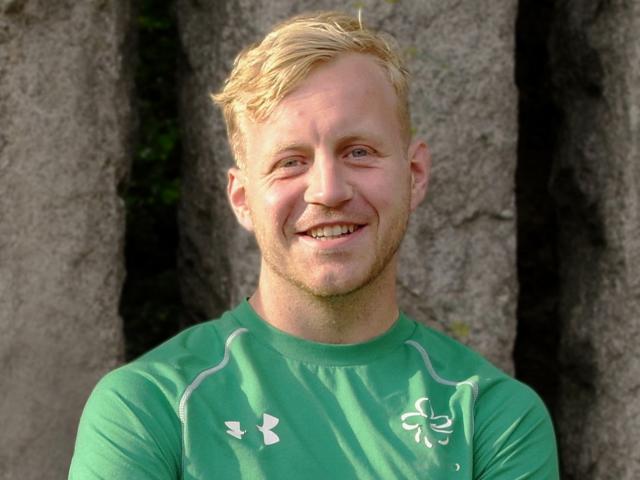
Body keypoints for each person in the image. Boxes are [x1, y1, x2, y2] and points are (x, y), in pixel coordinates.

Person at [69, 11, 559, 479]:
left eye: (359, 152)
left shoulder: (493, 418)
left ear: (414, 174)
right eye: (290, 162)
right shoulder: (150, 407)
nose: (328, 190)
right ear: (242, 199)